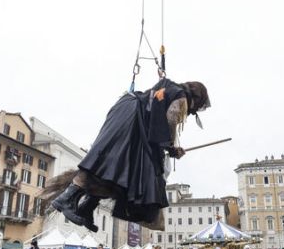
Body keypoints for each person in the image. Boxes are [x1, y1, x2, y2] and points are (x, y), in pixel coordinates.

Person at [47, 79, 210, 231]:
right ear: (197, 98)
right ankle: (66, 199)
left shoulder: (168, 88)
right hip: (132, 115)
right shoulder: (181, 96)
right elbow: (172, 115)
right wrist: (172, 147)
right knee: (111, 163)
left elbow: (157, 118)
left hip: (130, 112)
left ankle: (86, 207)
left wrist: (169, 147)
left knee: (123, 172)